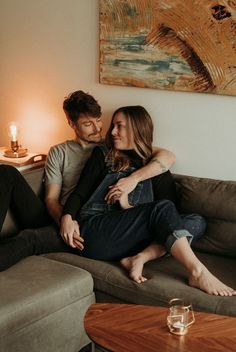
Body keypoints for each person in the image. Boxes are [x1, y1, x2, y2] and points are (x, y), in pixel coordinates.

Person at [60, 105, 236, 297]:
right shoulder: (102, 155)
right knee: (164, 210)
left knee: (196, 221)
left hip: (134, 242)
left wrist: (127, 204)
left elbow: (171, 219)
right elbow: (79, 193)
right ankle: (197, 271)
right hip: (95, 234)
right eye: (113, 126)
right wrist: (67, 218)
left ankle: (140, 258)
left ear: (137, 129)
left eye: (120, 126)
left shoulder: (157, 170)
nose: (113, 132)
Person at [0, 91, 176, 271]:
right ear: (72, 124)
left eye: (98, 120)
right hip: (58, 215)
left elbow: (165, 156)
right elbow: (51, 199)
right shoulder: (59, 151)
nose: (97, 128)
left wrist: (133, 179)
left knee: (28, 239)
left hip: (86, 221)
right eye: (88, 124)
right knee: (6, 172)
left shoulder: (112, 148)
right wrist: (66, 221)